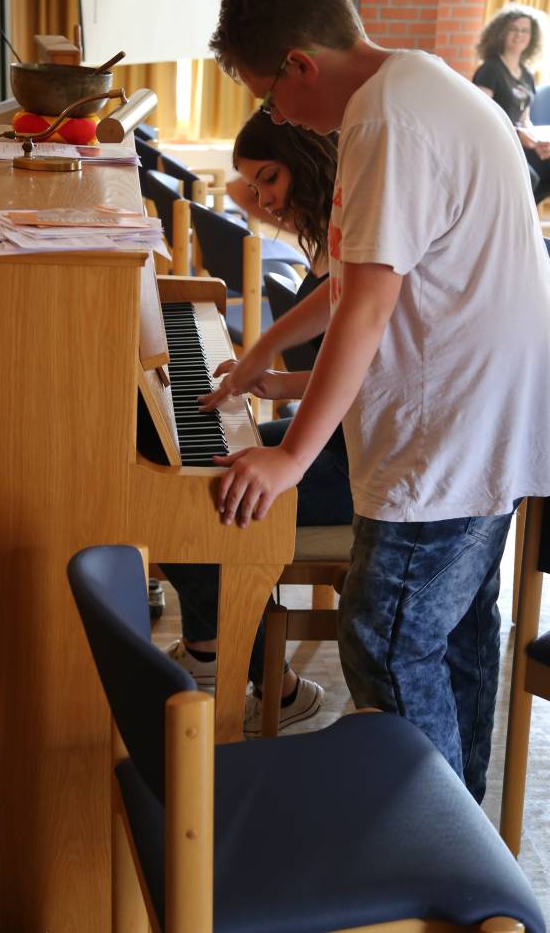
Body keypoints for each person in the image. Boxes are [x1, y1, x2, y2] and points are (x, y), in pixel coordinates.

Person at [204, 0, 550, 800]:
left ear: (299, 65)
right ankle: (463, 840)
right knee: (457, 637)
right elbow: (357, 278)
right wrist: (261, 354)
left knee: (384, 640)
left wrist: (288, 462)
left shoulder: (384, 122)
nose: (275, 114)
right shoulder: (419, 84)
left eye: (266, 93)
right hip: (487, 424)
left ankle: (433, 854)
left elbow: (364, 307)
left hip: (449, 435)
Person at [162, 112, 353, 736]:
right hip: (335, 432)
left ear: (310, 160)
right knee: (190, 469)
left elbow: (378, 382)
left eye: (271, 178)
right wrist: (277, 382)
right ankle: (215, 655)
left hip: (358, 461)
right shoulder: (334, 229)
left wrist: (276, 374)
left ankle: (266, 680)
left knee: (200, 497)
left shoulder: (363, 234)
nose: (263, 198)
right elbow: (344, 373)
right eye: (256, 182)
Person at [472, 3, 550, 204]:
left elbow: (525, 120)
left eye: (525, 31)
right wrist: (518, 133)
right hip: (495, 144)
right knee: (530, 178)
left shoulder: (527, 75)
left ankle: (525, 221)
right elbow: (481, 116)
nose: (519, 35)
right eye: (513, 30)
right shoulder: (490, 69)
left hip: (518, 144)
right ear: (500, 33)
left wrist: (538, 141)